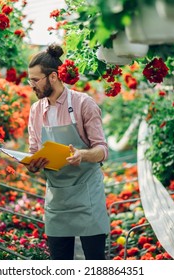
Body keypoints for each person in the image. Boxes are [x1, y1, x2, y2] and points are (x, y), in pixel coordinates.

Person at [25, 44, 110, 260]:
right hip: (57, 197)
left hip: (87, 195)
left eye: (35, 80)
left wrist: (82, 155)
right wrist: (32, 165)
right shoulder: (36, 111)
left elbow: (101, 150)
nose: (31, 85)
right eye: (30, 80)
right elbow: (34, 151)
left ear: (53, 77)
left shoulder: (83, 104)